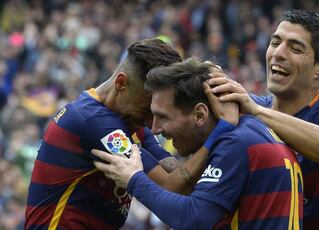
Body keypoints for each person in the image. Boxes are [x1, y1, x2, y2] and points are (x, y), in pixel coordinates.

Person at [91, 58, 303, 229]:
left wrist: (133, 179)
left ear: (200, 114)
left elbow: (192, 219)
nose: (155, 128)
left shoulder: (236, 142)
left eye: (163, 117)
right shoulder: (253, 128)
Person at [25, 39, 214, 229]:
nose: (152, 124)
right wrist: (220, 132)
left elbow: (174, 172)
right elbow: (172, 186)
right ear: (121, 83)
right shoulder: (94, 122)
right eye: (147, 109)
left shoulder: (129, 120)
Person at [207, 9, 319, 230]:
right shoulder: (248, 107)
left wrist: (256, 112)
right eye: (275, 43)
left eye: (295, 48)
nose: (278, 53)